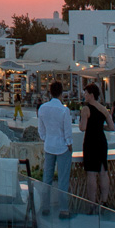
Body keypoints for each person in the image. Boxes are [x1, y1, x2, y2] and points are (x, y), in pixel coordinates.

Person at [37, 80, 75, 219]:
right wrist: (69, 143)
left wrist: (45, 138)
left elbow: (41, 128)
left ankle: (45, 206)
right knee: (63, 179)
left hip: (49, 145)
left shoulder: (42, 108)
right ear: (61, 93)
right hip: (62, 146)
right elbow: (67, 130)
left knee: (47, 177)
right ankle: (63, 209)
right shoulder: (64, 110)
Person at [78, 82, 111, 211]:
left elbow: (82, 127)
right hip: (101, 141)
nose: (84, 95)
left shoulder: (86, 109)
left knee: (91, 174)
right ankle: (104, 201)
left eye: (86, 93)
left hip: (91, 141)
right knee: (103, 172)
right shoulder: (103, 109)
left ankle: (91, 204)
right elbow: (112, 127)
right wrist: (100, 127)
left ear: (91, 95)